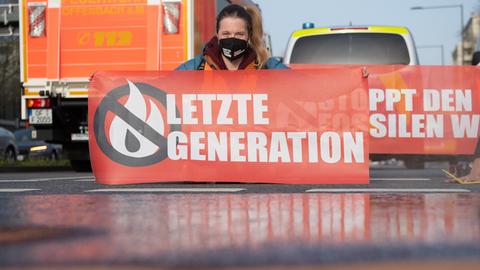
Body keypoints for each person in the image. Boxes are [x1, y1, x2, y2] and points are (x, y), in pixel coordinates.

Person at [176, 4, 288, 71]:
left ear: (249, 35)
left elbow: (298, 84)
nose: (232, 39)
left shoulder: (266, 66)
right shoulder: (198, 66)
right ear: (217, 33)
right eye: (226, 34)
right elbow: (165, 87)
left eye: (239, 34)